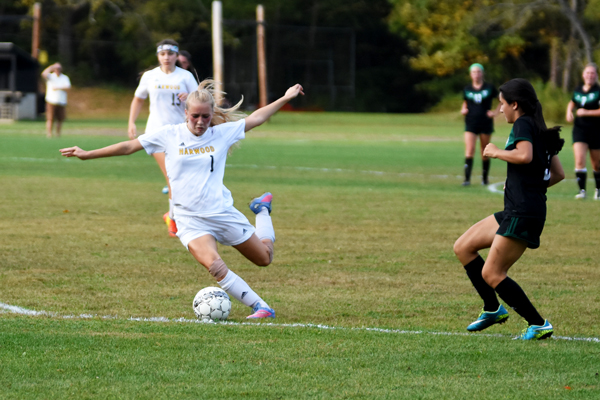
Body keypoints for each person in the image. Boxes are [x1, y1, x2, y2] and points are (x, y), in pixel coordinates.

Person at [60, 80, 305, 319]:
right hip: (189, 219)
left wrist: (285, 98)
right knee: (216, 267)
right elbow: (128, 146)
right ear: (185, 112)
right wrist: (87, 154)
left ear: (211, 115)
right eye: (195, 116)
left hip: (221, 212)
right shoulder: (169, 134)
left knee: (264, 259)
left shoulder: (221, 133)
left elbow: (256, 118)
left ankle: (261, 210)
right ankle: (261, 307)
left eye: (206, 117)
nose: (200, 122)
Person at [453, 78, 565, 340]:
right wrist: (524, 184)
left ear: (515, 104)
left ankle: (538, 324)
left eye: (503, 104)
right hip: (520, 208)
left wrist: (494, 152)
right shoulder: (539, 127)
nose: (500, 109)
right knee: (463, 247)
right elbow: (558, 174)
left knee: (492, 273)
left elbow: (524, 156)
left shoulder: (524, 123)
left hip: (522, 213)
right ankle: (492, 309)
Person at [128, 39, 198, 237]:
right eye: (162, 54)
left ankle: (172, 214)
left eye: (170, 53)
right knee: (172, 177)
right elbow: (138, 99)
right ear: (158, 56)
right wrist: (131, 122)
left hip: (181, 134)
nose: (166, 57)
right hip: (156, 133)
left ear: (177, 56)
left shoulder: (185, 76)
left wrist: (190, 98)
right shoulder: (150, 76)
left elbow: (201, 101)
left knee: (179, 177)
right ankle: (174, 221)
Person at [461, 63, 500, 186]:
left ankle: (484, 179)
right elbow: (465, 102)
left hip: (485, 123)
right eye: (474, 72)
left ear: (482, 73)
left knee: (484, 150)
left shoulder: (489, 88)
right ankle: (467, 179)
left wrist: (495, 112)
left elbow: (502, 100)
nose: (476, 74)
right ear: (470, 74)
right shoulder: (467, 89)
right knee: (470, 149)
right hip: (471, 122)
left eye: (478, 72)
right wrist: (463, 109)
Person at [565, 63, 600, 200]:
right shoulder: (578, 89)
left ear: (596, 76)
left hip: (596, 131)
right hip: (580, 129)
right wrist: (569, 111)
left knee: (596, 164)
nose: (590, 76)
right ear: (583, 75)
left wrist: (586, 112)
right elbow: (572, 102)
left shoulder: (598, 90)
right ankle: (582, 191)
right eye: (588, 73)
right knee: (579, 160)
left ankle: (598, 189)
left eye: (592, 73)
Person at [41, 62, 71, 138]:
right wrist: (51, 67)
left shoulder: (65, 77)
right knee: (50, 118)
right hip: (51, 101)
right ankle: (49, 134)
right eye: (56, 68)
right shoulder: (51, 76)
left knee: (60, 119)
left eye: (59, 68)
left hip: (61, 101)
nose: (58, 70)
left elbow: (68, 87)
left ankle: (58, 134)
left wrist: (58, 88)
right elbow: (43, 74)